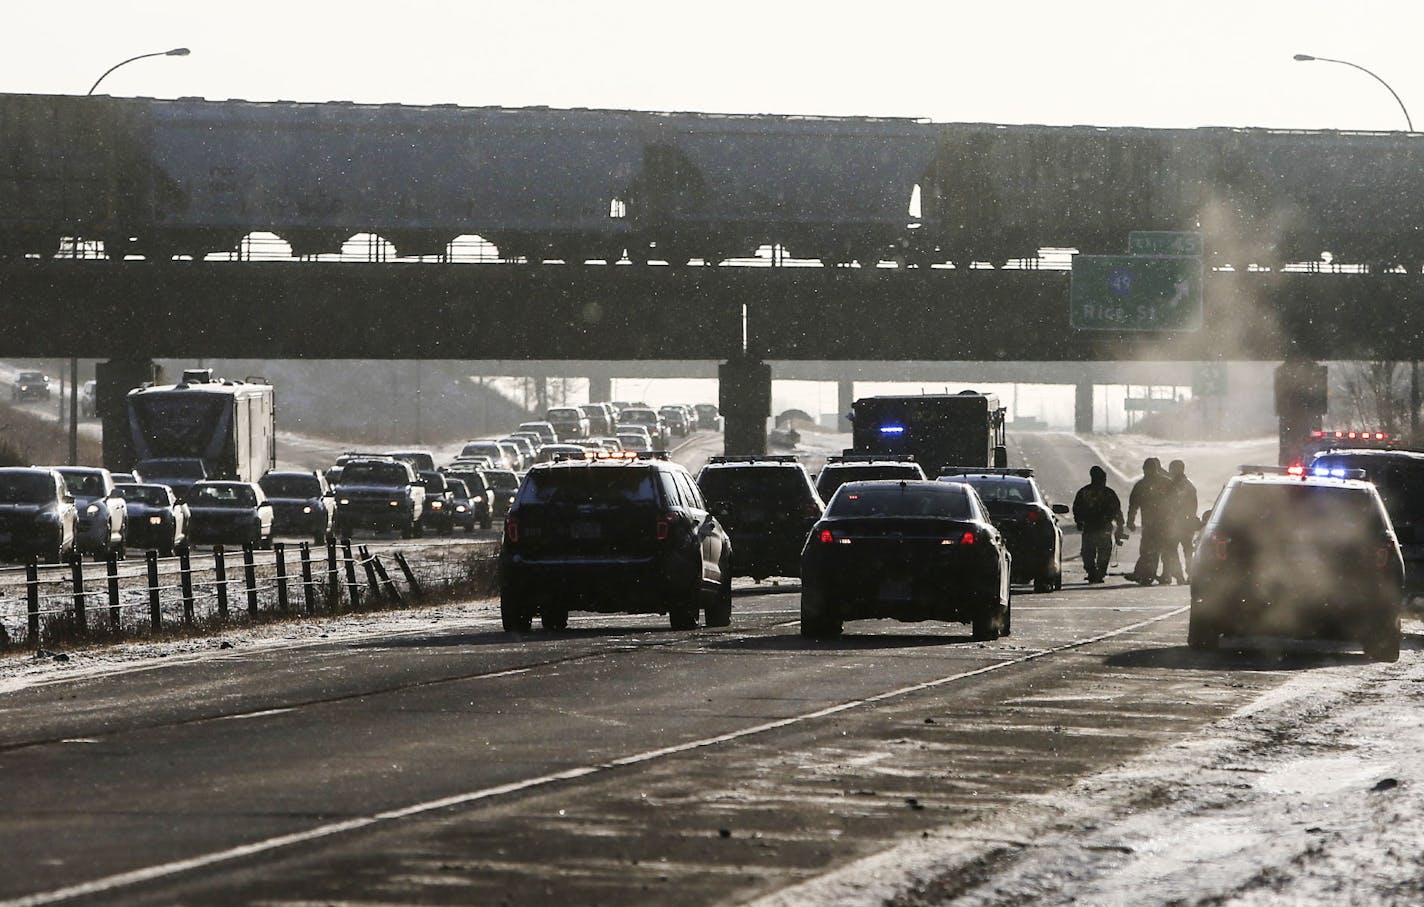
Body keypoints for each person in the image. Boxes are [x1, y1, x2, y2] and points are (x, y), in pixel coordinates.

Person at [1072, 465, 1125, 584]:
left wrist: (1079, 521)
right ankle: (1098, 573)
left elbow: (1076, 508)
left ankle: (1094, 572)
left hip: (1092, 527)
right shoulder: (1108, 493)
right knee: (1101, 551)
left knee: (1089, 552)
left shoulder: (1084, 492)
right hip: (1100, 527)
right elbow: (1117, 511)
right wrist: (1120, 525)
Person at [1126, 457, 1174, 585]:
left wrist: (1130, 520)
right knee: (1152, 550)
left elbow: (1133, 505)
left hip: (1160, 523)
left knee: (1157, 550)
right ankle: (1150, 574)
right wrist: (1130, 520)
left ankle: (1158, 575)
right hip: (1156, 524)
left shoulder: (1144, 484)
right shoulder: (1165, 483)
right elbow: (1133, 504)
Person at [1165, 459, 1198, 582]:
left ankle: (1181, 575)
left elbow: (1184, 505)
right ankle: (1185, 575)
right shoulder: (1187, 484)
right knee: (1186, 550)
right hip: (1183, 523)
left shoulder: (1182, 485)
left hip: (1179, 523)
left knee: (1176, 549)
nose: (1170, 471)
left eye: (1172, 468)